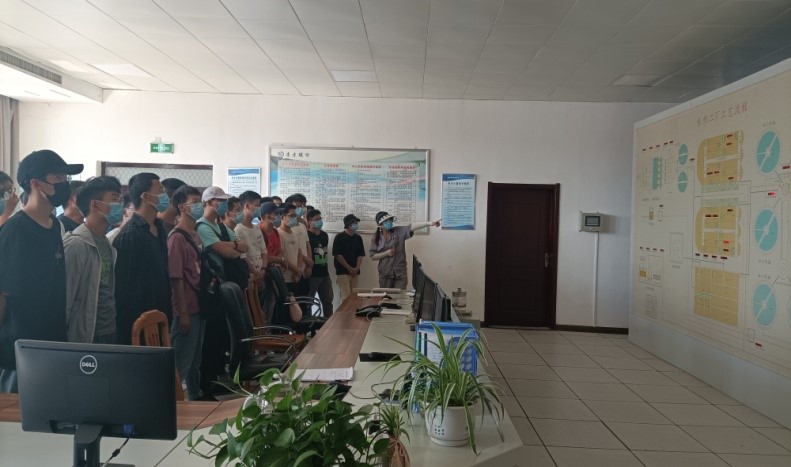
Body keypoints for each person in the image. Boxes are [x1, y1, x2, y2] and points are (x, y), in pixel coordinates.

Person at [0, 149, 83, 392]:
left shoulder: (54, 225)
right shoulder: (15, 230)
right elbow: (3, 295)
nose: (65, 184)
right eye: (58, 178)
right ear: (35, 184)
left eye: (66, 178)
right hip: (18, 354)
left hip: (51, 346)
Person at [113, 172, 173, 345]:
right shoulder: (130, 235)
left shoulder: (159, 228)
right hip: (137, 325)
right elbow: (123, 290)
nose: (165, 196)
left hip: (160, 317)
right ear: (146, 196)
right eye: (160, 191)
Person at [63, 176, 122, 344]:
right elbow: (66, 299)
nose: (120, 205)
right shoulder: (76, 244)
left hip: (108, 328)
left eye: (120, 200)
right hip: (86, 335)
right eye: (114, 199)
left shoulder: (106, 243)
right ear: (95, 204)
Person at [167, 185, 206, 400]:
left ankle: (195, 396)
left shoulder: (195, 234)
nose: (199, 206)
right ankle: (171, 404)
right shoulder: (177, 238)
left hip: (199, 303)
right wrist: (182, 312)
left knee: (195, 359)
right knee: (181, 362)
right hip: (186, 307)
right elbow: (176, 277)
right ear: (182, 207)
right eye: (195, 202)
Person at [369, 211, 440, 289]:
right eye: (386, 221)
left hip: (400, 273)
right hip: (385, 274)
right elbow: (373, 256)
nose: (389, 222)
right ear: (380, 225)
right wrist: (386, 253)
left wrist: (429, 223)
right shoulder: (376, 238)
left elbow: (411, 227)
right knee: (386, 295)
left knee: (399, 295)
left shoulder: (398, 231)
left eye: (390, 220)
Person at [195, 187, 248, 286]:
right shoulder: (202, 227)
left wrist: (225, 244)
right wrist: (235, 245)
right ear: (209, 202)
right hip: (215, 280)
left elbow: (245, 247)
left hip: (228, 277)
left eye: (225, 200)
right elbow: (230, 253)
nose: (225, 203)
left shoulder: (221, 226)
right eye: (221, 200)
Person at [234, 191, 267, 284]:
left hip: (262, 273)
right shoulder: (237, 228)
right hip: (249, 277)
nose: (259, 208)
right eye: (257, 205)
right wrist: (255, 273)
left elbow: (264, 252)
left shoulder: (256, 227)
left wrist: (263, 270)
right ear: (247, 206)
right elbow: (243, 256)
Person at [306, 209, 333, 317]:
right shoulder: (306, 235)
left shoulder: (324, 235)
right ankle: (308, 324)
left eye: (320, 218)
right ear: (309, 222)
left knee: (328, 300)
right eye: (316, 219)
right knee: (309, 302)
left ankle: (328, 323)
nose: (319, 221)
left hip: (324, 273)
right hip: (312, 274)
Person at [332, 214, 365, 303]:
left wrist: (357, 268)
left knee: (354, 297)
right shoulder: (339, 237)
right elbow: (338, 255)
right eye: (354, 223)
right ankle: (344, 313)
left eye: (356, 223)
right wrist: (349, 268)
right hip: (342, 271)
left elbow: (360, 255)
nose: (356, 225)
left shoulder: (358, 238)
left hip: (355, 272)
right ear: (347, 224)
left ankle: (352, 312)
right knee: (345, 297)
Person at [277, 203, 304, 297]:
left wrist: (298, 272)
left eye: (295, 215)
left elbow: (299, 253)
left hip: (297, 277)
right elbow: (281, 257)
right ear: (282, 217)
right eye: (291, 216)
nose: (294, 218)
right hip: (285, 278)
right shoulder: (278, 234)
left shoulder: (295, 233)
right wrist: (297, 270)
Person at [259, 201, 285, 266]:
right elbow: (262, 256)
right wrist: (280, 260)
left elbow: (280, 251)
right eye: (276, 214)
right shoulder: (258, 231)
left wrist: (277, 260)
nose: (279, 216)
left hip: (274, 268)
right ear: (267, 215)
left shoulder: (275, 231)